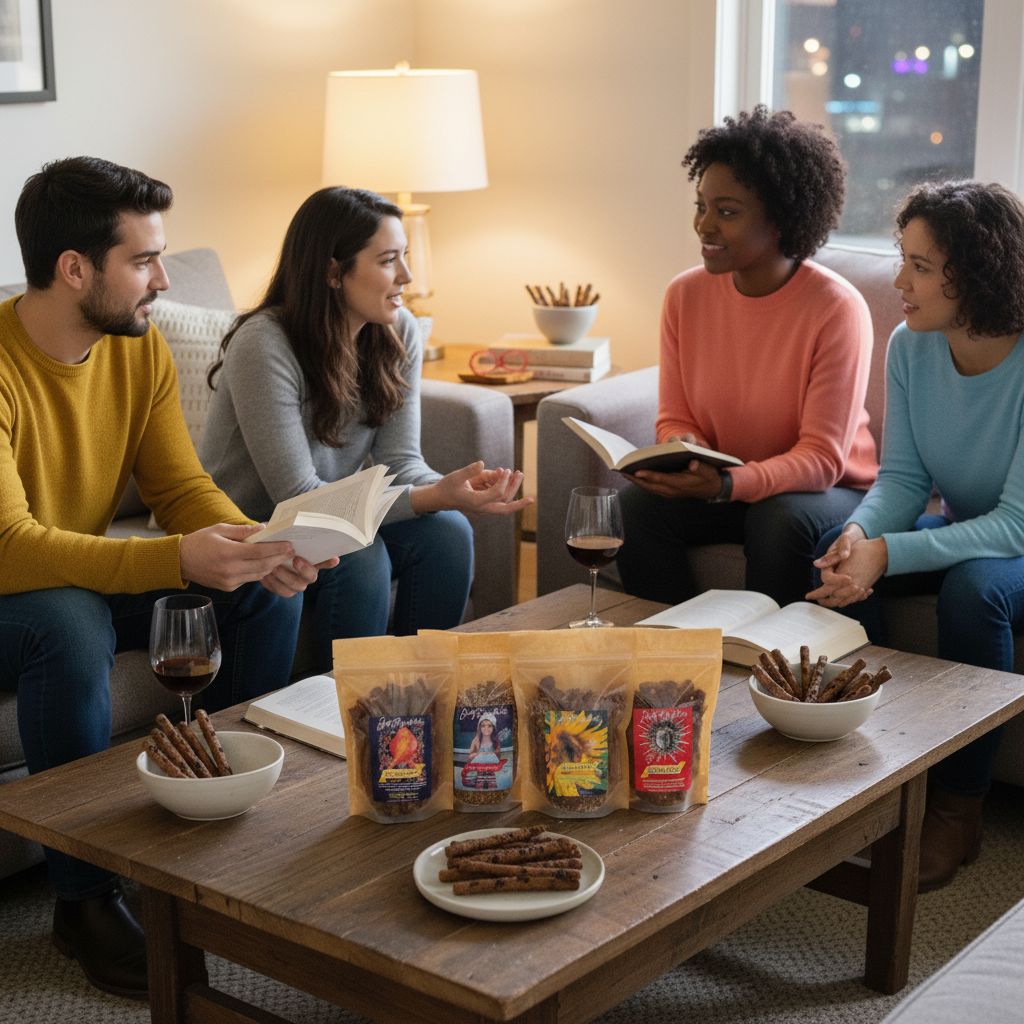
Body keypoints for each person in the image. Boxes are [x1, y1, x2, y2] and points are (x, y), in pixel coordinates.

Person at [0, 156, 334, 999]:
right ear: (74, 270)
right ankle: (83, 898)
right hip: (15, 594)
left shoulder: (133, 348)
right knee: (67, 621)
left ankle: (220, 828)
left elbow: (178, 488)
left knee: (252, 588)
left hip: (61, 575)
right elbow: (11, 543)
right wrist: (174, 557)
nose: (162, 278)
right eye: (143, 260)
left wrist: (257, 542)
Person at [200, 187, 530, 671]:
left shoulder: (399, 330)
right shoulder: (264, 345)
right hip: (256, 526)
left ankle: (426, 699)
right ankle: (344, 717)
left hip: (332, 517)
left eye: (405, 258)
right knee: (362, 550)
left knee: (449, 531)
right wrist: (432, 495)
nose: (407, 277)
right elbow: (298, 497)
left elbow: (399, 463)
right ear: (334, 271)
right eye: (388, 260)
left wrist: (449, 490)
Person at [808, 179, 1024, 893]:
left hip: (1017, 544)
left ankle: (957, 813)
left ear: (980, 273)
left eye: (920, 267)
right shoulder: (910, 344)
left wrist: (889, 551)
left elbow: (1016, 524)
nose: (898, 280)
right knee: (842, 563)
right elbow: (902, 479)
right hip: (973, 528)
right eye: (902, 258)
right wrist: (859, 538)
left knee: (973, 591)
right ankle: (873, 781)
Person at [614, 106, 878, 610]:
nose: (704, 226)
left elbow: (822, 460)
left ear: (781, 220)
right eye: (701, 206)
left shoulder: (836, 308)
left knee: (777, 518)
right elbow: (675, 415)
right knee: (636, 505)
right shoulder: (684, 295)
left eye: (727, 211)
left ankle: (769, 667)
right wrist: (681, 451)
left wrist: (726, 485)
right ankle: (677, 653)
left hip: (829, 491)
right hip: (727, 482)